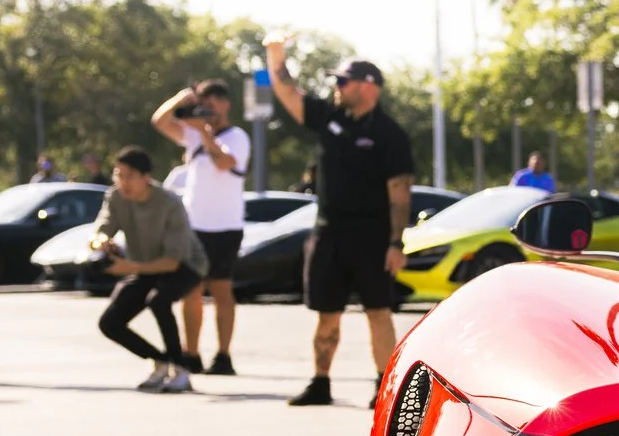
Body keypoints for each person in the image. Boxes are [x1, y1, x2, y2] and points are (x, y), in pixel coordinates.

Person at [263, 37, 413, 408]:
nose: (336, 88)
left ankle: (385, 387)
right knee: (325, 314)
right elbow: (288, 91)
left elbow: (400, 193)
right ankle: (320, 382)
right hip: (328, 233)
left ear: (368, 86)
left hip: (373, 237)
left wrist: (396, 244)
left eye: (343, 82)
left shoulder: (390, 135)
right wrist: (275, 55)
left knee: (377, 311)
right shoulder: (329, 118)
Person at [150, 80, 251, 375]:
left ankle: (223, 355)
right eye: (203, 103)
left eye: (214, 102)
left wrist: (205, 133)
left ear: (226, 104)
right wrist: (182, 97)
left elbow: (224, 164)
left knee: (222, 291)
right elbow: (160, 121)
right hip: (194, 226)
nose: (209, 108)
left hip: (226, 226)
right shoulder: (192, 136)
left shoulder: (237, 137)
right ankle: (191, 354)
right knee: (190, 291)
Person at [90, 146, 209, 392]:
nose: (123, 182)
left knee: (159, 301)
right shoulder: (116, 197)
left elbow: (173, 261)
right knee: (110, 323)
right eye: (118, 175)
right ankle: (161, 360)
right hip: (145, 266)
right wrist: (100, 241)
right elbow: (102, 227)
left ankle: (182, 369)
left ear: (147, 177)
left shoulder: (169, 203)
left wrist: (127, 267)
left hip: (185, 265)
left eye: (129, 176)